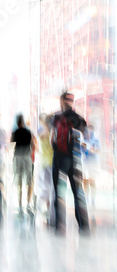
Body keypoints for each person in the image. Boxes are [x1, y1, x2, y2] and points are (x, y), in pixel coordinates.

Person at [51, 91, 89, 234]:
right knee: (78, 192)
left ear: (62, 101)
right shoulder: (80, 119)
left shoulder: (56, 117)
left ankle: (59, 226)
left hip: (60, 158)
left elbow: (52, 139)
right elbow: (84, 139)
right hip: (76, 160)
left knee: (59, 192)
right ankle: (84, 226)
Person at [11, 114, 34, 214]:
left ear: (17, 122)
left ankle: (20, 205)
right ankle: (28, 203)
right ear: (23, 122)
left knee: (19, 181)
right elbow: (33, 146)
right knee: (29, 181)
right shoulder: (29, 132)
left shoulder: (15, 133)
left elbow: (11, 145)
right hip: (26, 157)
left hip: (17, 158)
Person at [36, 113, 55, 225]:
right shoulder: (52, 133)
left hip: (43, 162)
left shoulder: (40, 132)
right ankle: (49, 211)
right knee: (52, 188)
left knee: (46, 187)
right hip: (52, 162)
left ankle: (47, 210)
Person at [82, 124, 100, 208]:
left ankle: (92, 200)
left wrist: (91, 150)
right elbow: (81, 150)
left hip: (93, 163)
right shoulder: (83, 141)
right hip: (85, 163)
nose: (88, 133)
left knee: (92, 181)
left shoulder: (95, 140)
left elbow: (97, 150)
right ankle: (86, 198)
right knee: (85, 181)